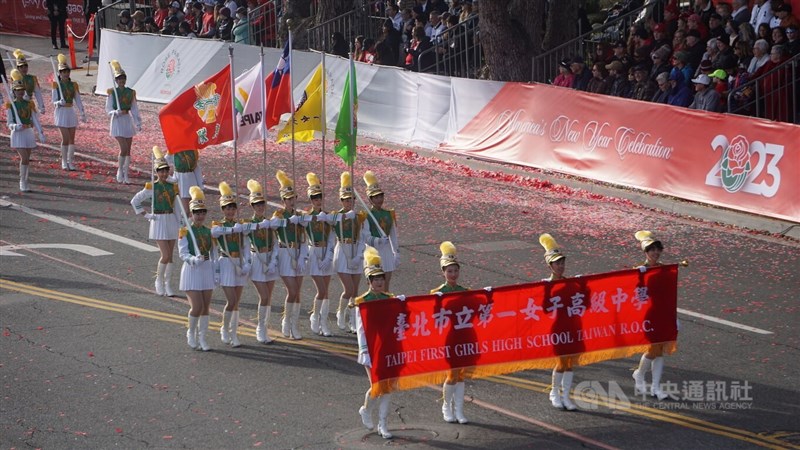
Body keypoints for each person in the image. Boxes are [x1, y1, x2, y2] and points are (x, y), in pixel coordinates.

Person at [355, 246, 395, 439]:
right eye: (375, 279)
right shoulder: (362, 302)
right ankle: (365, 409)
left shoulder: (391, 299)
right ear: (369, 281)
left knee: (389, 387)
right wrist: (364, 350)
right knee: (378, 386)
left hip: (387, 348)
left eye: (381, 279)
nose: (379, 282)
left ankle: (383, 424)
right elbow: (361, 329)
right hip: (371, 349)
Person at [130, 146, 181, 296]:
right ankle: (159, 280)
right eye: (161, 170)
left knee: (171, 255)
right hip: (158, 220)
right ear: (156, 172)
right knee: (165, 255)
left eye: (166, 170)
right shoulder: (152, 187)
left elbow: (177, 206)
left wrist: (181, 222)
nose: (164, 173)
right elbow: (135, 200)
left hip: (171, 219)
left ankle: (168, 283)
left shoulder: (173, 186)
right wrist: (145, 214)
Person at [631, 231, 674, 400]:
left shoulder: (664, 270)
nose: (655, 253)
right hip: (648, 315)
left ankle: (656, 386)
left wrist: (673, 316)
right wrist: (640, 276)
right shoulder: (640, 270)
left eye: (658, 249)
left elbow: (669, 295)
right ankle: (640, 374)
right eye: (652, 250)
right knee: (653, 349)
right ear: (645, 253)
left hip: (663, 313)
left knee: (660, 350)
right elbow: (638, 296)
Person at [431, 241, 469, 424]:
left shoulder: (464, 292)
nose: (453, 274)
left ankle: (459, 410)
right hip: (448, 337)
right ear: (443, 272)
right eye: (449, 271)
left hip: (464, 336)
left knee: (461, 373)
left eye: (455, 270)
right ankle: (446, 406)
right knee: (452, 373)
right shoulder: (437, 293)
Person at [539, 233, 578, 411]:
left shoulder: (570, 283)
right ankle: (555, 392)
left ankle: (566, 395)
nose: (560, 266)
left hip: (572, 326)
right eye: (557, 263)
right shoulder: (545, 285)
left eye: (562, 263)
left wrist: (581, 285)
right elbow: (545, 309)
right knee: (562, 362)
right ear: (550, 265)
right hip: (557, 328)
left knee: (570, 362)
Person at [211, 182, 251, 348]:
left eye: (232, 208)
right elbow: (214, 236)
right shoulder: (218, 225)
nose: (230, 211)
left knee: (236, 301)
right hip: (226, 263)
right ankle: (226, 330)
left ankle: (232, 332)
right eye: (227, 208)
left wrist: (247, 263)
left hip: (238, 263)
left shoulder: (240, 225)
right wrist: (217, 272)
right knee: (232, 300)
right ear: (222, 210)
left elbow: (246, 246)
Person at [178, 186, 217, 351]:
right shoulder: (185, 231)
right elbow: (182, 253)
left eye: (202, 212)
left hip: (206, 269)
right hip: (192, 270)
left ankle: (202, 337)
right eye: (197, 213)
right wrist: (194, 259)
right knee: (197, 306)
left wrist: (211, 265)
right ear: (191, 214)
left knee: (206, 307)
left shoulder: (209, 232)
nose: (200, 216)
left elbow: (213, 253)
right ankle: (191, 333)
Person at [272, 170, 309, 340]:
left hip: (298, 251)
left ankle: (295, 325)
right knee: (292, 290)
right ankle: (286, 321)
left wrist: (303, 256)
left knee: (298, 291)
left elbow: (304, 236)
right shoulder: (279, 215)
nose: (291, 201)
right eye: (288, 199)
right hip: (285, 252)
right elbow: (272, 227)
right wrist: (285, 220)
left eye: (293, 198)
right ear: (283, 200)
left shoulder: (300, 216)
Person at [245, 179, 281, 344]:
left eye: (262, 204)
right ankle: (260, 328)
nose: (260, 207)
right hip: (257, 260)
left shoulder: (269, 223)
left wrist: (273, 261)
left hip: (269, 258)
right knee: (264, 296)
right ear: (252, 206)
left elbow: (275, 242)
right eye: (257, 204)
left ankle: (264, 328)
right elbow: (244, 242)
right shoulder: (248, 224)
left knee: (269, 297)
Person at [331, 172, 366, 334]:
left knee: (356, 290)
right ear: (341, 201)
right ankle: (341, 313)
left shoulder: (359, 217)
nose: (348, 202)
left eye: (351, 199)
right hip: (343, 252)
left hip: (356, 251)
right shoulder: (336, 216)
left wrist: (359, 255)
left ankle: (353, 320)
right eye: (345, 200)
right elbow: (331, 223)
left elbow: (363, 237)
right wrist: (344, 217)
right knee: (349, 289)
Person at [303, 173, 336, 337]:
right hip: (314, 252)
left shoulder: (327, 216)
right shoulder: (306, 218)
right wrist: (311, 256)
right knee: (321, 291)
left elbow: (332, 236)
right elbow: (304, 238)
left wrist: (329, 255)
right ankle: (316, 317)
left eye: (319, 197)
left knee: (327, 291)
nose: (318, 200)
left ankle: (324, 323)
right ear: (310, 199)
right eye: (314, 197)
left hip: (326, 253)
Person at [6, 69, 46, 192]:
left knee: (27, 159)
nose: (21, 92)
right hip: (18, 134)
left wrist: (40, 132)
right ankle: (22, 181)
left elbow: (34, 118)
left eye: (22, 90)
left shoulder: (29, 104)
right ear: (14, 91)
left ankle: (26, 180)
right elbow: (9, 123)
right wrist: (15, 127)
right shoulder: (11, 106)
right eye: (18, 90)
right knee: (24, 158)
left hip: (28, 132)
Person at [361, 171, 399, 292]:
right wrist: (378, 241)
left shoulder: (389, 214)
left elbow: (393, 235)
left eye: (380, 196)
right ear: (370, 199)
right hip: (373, 252)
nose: (379, 199)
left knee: (386, 284)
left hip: (387, 251)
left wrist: (396, 252)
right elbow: (366, 236)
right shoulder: (366, 215)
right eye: (376, 197)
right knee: (374, 286)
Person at [106, 60, 142, 184]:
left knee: (128, 149)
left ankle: (126, 174)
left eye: (123, 79)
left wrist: (138, 121)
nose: (121, 81)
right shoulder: (112, 92)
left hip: (127, 120)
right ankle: (120, 170)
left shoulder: (130, 92)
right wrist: (115, 112)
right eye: (119, 79)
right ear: (116, 81)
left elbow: (134, 108)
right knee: (124, 147)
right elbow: (108, 109)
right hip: (117, 121)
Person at [51, 54, 87, 171]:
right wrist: (59, 102)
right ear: (60, 73)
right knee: (65, 138)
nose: (65, 74)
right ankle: (63, 160)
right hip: (61, 112)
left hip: (70, 111)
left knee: (72, 138)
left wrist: (82, 112)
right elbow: (53, 101)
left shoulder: (73, 85)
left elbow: (77, 99)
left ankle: (70, 161)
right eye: (63, 72)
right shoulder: (56, 85)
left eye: (67, 71)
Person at [13, 50, 45, 115]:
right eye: (21, 67)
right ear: (18, 68)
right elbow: (12, 94)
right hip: (18, 106)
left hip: (29, 104)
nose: (24, 69)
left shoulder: (32, 78)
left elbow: (38, 93)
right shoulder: (14, 79)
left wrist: (41, 106)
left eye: (25, 66)